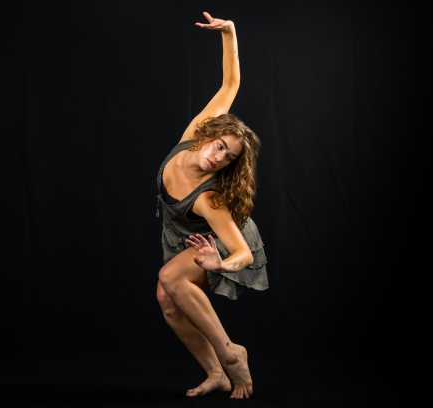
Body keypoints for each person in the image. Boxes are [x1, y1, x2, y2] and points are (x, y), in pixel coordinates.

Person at [156, 12, 268, 400]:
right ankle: (216, 374)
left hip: (223, 242)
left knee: (170, 279)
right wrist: (230, 32)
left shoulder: (209, 199)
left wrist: (220, 264)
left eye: (229, 158)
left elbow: (243, 254)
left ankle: (232, 354)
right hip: (191, 237)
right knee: (168, 302)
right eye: (220, 147)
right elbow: (230, 84)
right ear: (208, 136)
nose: (219, 158)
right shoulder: (193, 135)